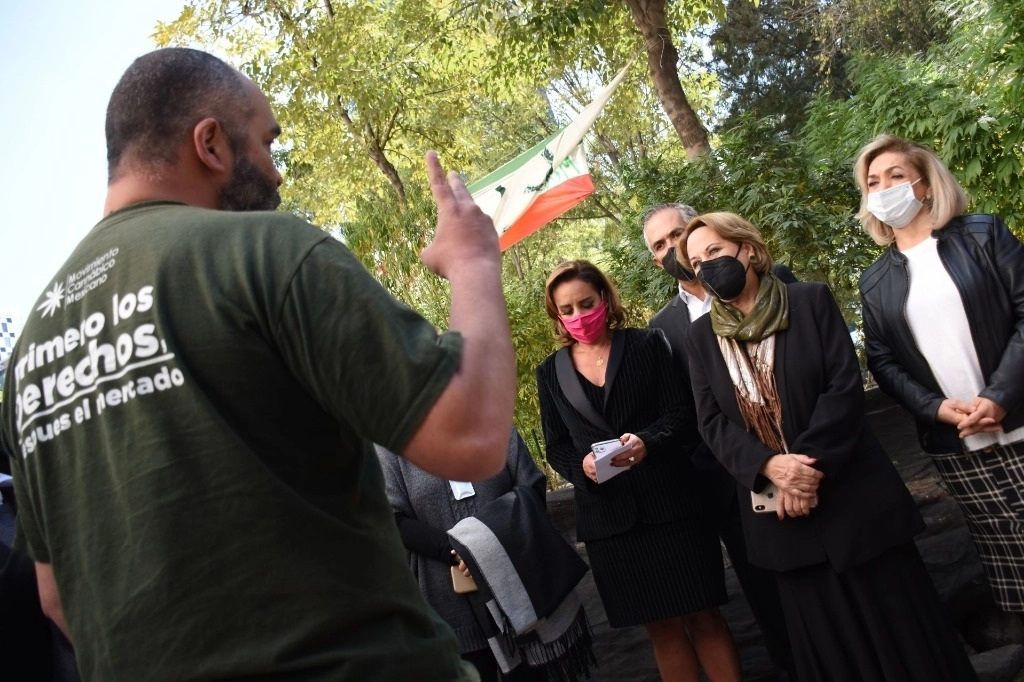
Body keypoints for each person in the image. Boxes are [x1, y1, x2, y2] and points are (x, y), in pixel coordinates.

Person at [0, 47, 517, 682]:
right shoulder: (265, 252)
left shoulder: (28, 353)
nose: (276, 174)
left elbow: (56, 596)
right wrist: (473, 261)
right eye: (267, 143)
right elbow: (470, 434)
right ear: (210, 143)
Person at [681, 212, 976, 681]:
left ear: (748, 249)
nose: (706, 267)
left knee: (905, 641)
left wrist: (805, 472)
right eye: (696, 263)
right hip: (782, 524)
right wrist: (771, 469)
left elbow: (842, 387)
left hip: (854, 506)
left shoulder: (810, 300)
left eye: (714, 251)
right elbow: (710, 421)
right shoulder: (700, 338)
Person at [535, 260, 741, 682]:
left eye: (585, 303)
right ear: (556, 315)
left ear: (605, 299)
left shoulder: (648, 344)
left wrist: (649, 440)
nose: (578, 316)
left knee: (705, 616)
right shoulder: (549, 373)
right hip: (611, 523)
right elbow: (556, 445)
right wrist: (582, 467)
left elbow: (683, 412)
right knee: (661, 630)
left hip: (674, 507)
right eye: (567, 309)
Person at [856, 134, 1024, 615]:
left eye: (895, 176)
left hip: (1019, 420)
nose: (883, 188)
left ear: (926, 185)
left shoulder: (983, 234)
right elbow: (883, 362)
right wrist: (936, 410)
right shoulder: (875, 282)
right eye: (873, 182)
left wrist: (1000, 395)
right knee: (1013, 567)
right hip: (958, 446)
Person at [643, 203, 797, 679]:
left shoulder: (776, 282)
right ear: (655, 260)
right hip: (732, 484)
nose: (671, 248)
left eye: (676, 235)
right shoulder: (661, 329)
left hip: (800, 459)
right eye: (659, 245)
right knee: (770, 599)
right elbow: (683, 411)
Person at [376, 429, 548, 681]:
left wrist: (488, 544)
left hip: (513, 586)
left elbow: (531, 486)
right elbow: (391, 517)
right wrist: (458, 550)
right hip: (446, 603)